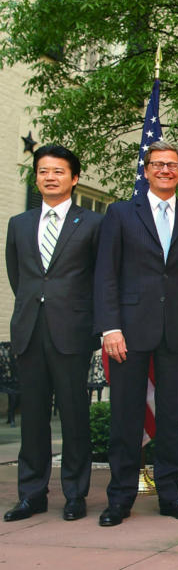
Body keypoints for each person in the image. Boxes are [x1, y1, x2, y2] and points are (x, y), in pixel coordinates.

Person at [93, 140, 178, 526]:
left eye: (172, 165)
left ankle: (170, 494)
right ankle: (120, 497)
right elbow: (106, 274)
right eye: (158, 164)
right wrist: (110, 326)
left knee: (172, 419)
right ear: (145, 170)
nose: (165, 170)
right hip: (127, 332)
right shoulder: (120, 214)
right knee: (126, 416)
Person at [4, 145, 102, 522]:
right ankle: (31, 494)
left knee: (75, 416)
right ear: (37, 177)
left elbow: (99, 278)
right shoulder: (20, 223)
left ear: (74, 178)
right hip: (30, 330)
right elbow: (19, 277)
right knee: (33, 417)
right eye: (43, 171)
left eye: (58, 171)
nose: (50, 177)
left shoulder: (93, 223)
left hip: (72, 332)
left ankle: (75, 494)